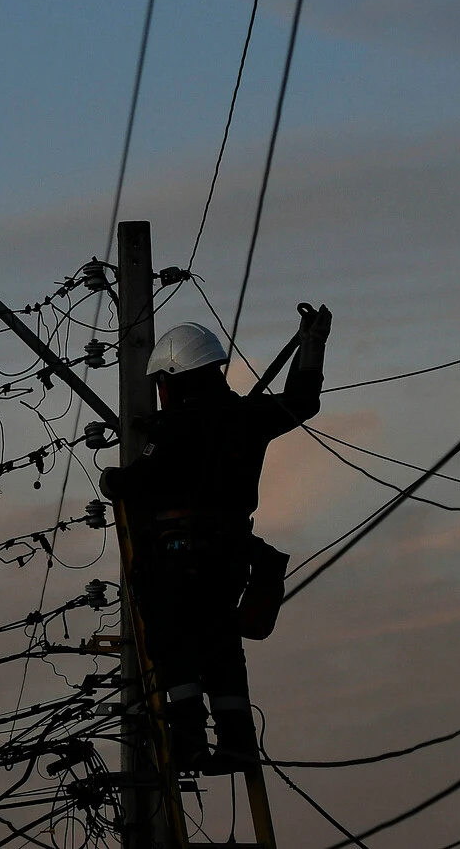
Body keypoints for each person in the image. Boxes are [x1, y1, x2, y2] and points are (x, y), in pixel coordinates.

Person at [99, 305, 331, 774]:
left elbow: (136, 483)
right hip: (228, 562)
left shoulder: (171, 430)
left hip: (174, 563)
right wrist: (312, 346)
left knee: (174, 646)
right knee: (222, 647)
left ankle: (188, 744)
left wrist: (110, 480)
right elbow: (302, 401)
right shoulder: (248, 416)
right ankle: (237, 745)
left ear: (174, 378)